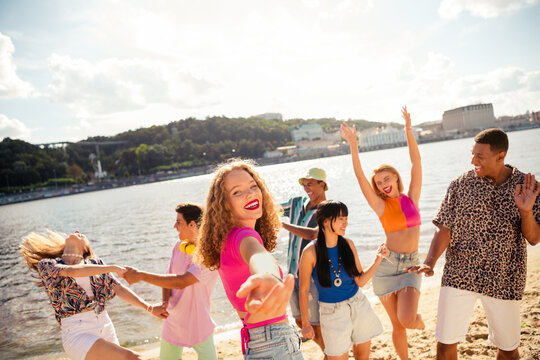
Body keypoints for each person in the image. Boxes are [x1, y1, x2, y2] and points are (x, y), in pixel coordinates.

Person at [407, 128, 540, 360]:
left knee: (508, 349)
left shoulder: (527, 187)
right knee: (445, 344)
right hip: (459, 273)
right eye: (472, 154)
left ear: (501, 156)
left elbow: (534, 238)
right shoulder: (459, 185)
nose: (473, 161)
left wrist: (526, 212)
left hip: (504, 276)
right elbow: (444, 228)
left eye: (480, 156)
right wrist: (430, 262)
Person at [195, 159, 303, 359]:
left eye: (254, 186)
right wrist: (267, 275)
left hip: (259, 341)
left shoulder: (226, 238)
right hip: (275, 343)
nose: (251, 193)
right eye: (237, 192)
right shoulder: (242, 236)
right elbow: (258, 256)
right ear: (224, 205)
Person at [340, 106, 425, 360]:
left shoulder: (412, 198)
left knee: (409, 320)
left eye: (387, 178)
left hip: (410, 265)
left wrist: (408, 131)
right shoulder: (380, 206)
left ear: (396, 178)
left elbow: (416, 162)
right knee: (397, 326)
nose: (383, 184)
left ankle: (419, 323)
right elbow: (359, 175)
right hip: (387, 268)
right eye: (378, 183)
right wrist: (353, 145)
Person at [19, 230, 168, 360]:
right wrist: (113, 268)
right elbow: (72, 271)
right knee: (134, 358)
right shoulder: (48, 265)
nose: (77, 231)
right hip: (77, 332)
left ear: (85, 248)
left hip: (104, 324)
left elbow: (119, 288)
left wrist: (149, 307)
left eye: (81, 234)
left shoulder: (96, 264)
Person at [123, 203, 219, 360]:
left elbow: (181, 281)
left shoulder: (208, 256)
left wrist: (140, 275)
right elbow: (168, 276)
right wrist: (165, 301)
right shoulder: (177, 247)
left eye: (179, 222)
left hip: (198, 322)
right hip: (173, 320)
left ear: (192, 224)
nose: (175, 226)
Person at [298, 200, 386, 360]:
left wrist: (377, 260)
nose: (346, 222)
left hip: (358, 304)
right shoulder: (310, 252)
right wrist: (305, 324)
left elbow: (360, 281)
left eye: (346, 218)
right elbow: (303, 290)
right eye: (340, 218)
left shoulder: (348, 244)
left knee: (362, 356)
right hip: (332, 313)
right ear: (325, 221)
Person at [281, 167, 328, 355]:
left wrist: (282, 224)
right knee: (300, 321)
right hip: (292, 274)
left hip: (313, 276)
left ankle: (332, 354)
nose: (307, 188)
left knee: (315, 324)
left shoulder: (327, 208)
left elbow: (315, 234)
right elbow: (269, 208)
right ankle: (331, 352)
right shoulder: (296, 203)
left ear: (322, 184)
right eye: (304, 184)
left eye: (311, 184)